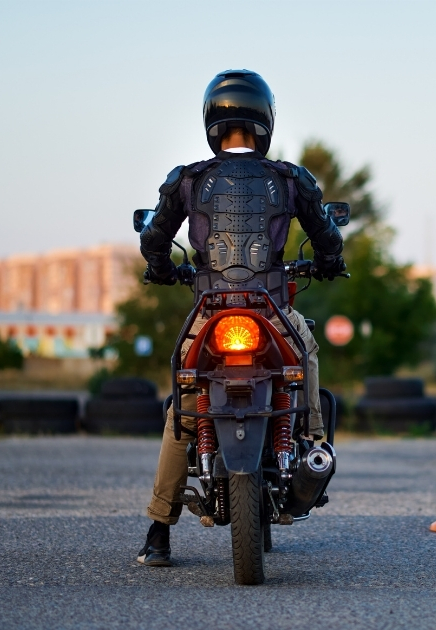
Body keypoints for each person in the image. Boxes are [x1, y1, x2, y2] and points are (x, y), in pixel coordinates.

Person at [136, 70, 346, 566]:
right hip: (272, 309)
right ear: (265, 119)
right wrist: (328, 263)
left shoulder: (188, 179)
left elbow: (153, 240)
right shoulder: (290, 179)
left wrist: (163, 270)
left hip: (209, 313)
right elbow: (328, 238)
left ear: (212, 119)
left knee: (184, 404)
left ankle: (159, 531)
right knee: (304, 356)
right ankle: (314, 444)